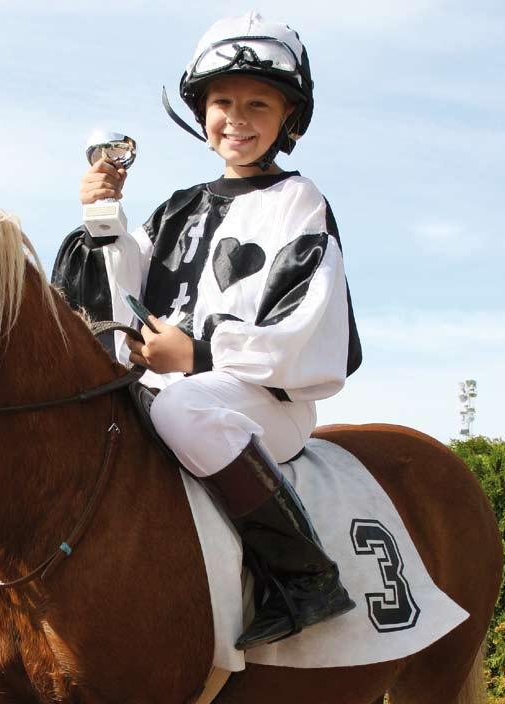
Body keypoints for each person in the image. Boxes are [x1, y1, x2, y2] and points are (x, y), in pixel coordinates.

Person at [52, 12, 362, 649]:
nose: (237, 119)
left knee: (187, 405)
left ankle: (303, 577)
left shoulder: (300, 201)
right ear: (201, 112)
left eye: (258, 103)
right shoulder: (179, 206)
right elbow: (123, 292)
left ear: (288, 119)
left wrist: (196, 354)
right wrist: (103, 217)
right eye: (222, 101)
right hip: (175, 391)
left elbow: (308, 322)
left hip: (264, 400)